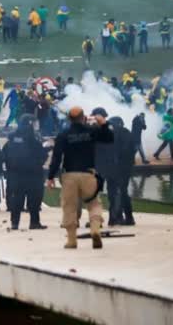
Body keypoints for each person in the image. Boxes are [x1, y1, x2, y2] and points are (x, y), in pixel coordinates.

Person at [47, 106, 113, 249]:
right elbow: (109, 138)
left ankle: (72, 240)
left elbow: (56, 158)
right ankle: (95, 230)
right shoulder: (91, 131)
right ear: (83, 117)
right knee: (94, 203)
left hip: (69, 175)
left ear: (69, 119)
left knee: (69, 207)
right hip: (88, 174)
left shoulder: (63, 135)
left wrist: (50, 177)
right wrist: (103, 123)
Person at [2, 115, 48, 229]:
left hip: (15, 175)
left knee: (17, 199)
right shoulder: (33, 139)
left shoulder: (12, 139)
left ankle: (14, 223)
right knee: (34, 199)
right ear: (30, 123)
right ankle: (34, 222)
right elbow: (42, 154)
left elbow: (4, 155)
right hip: (33, 175)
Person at [109, 117, 136, 227]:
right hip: (126, 168)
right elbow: (132, 150)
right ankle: (128, 217)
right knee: (123, 192)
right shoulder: (127, 133)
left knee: (114, 193)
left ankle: (116, 218)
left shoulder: (111, 134)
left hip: (114, 168)